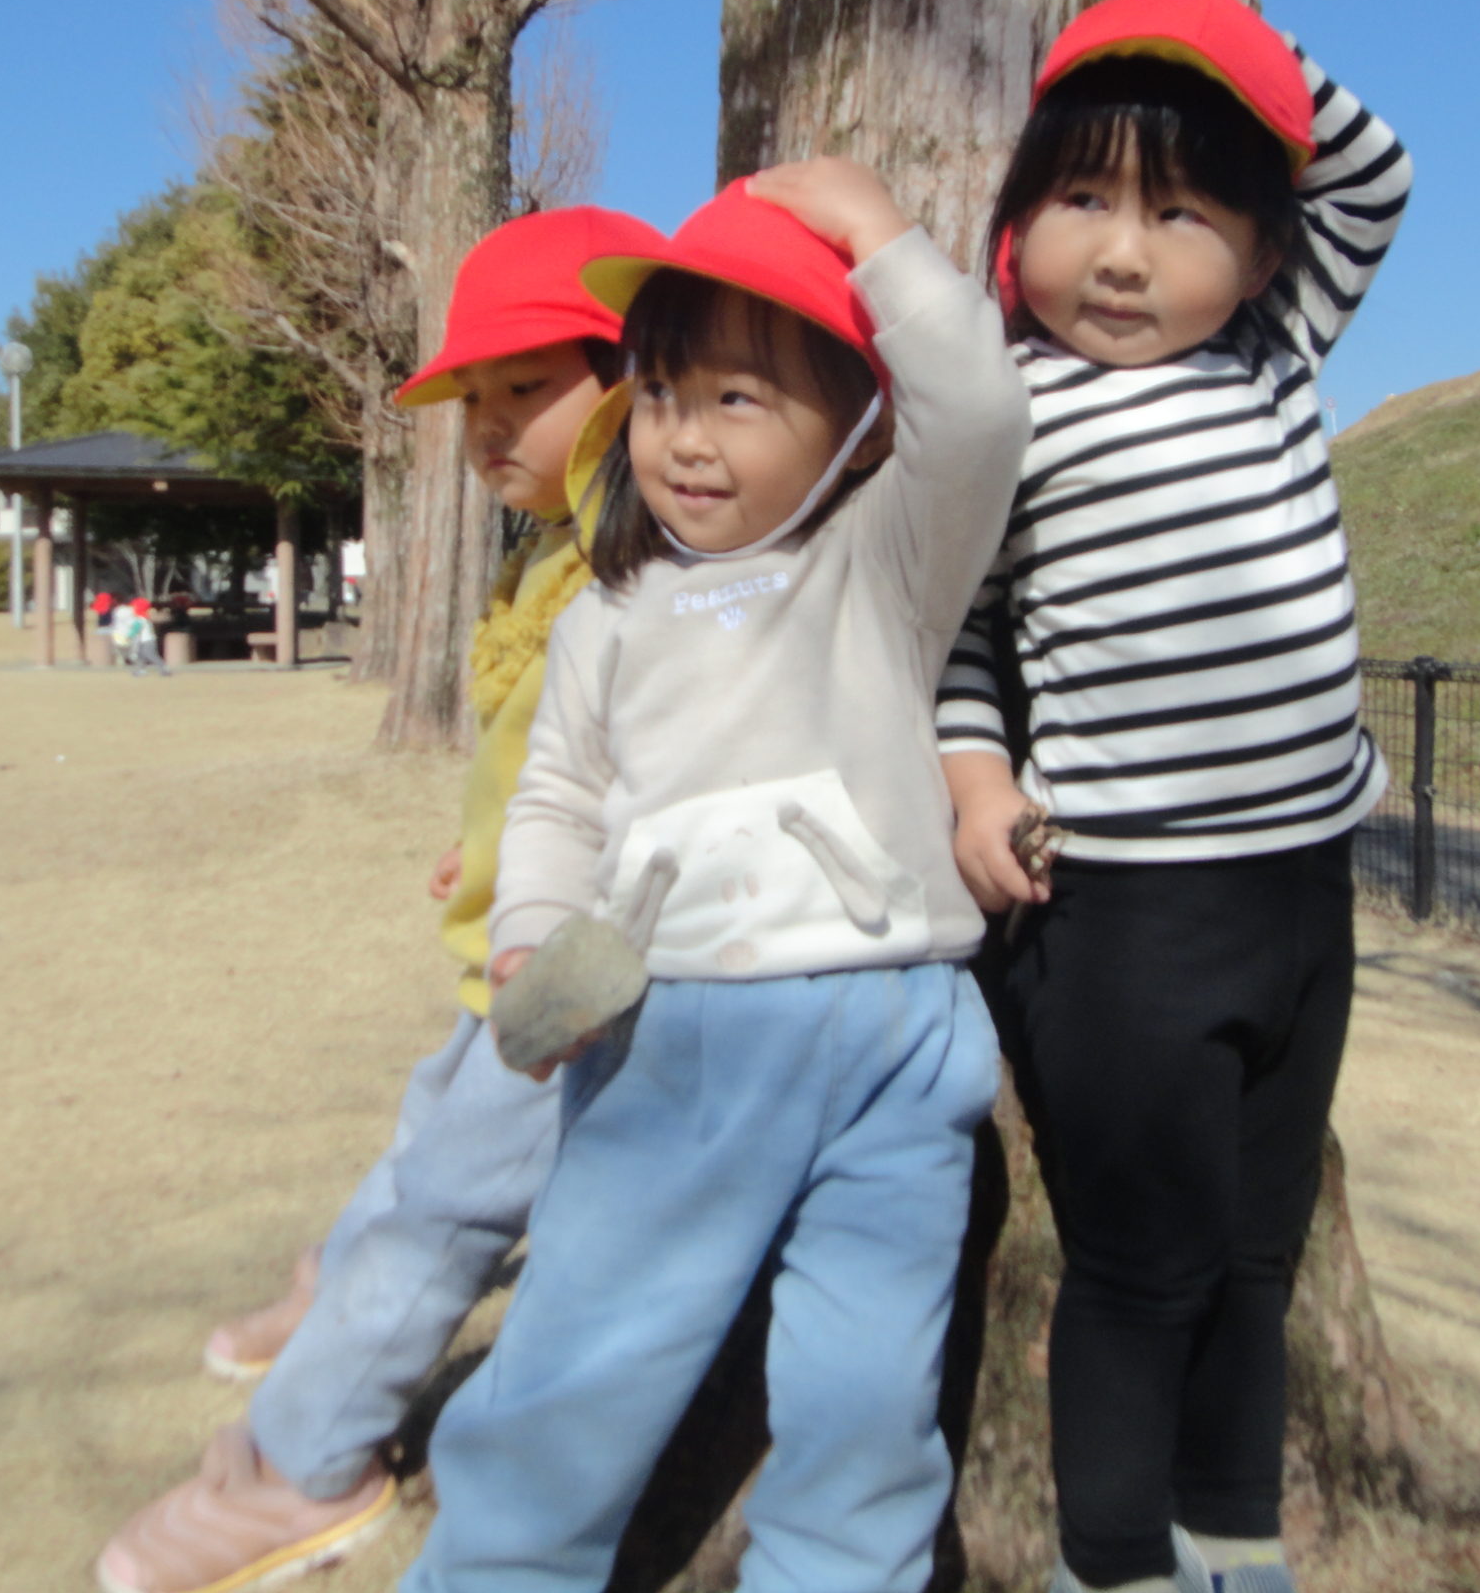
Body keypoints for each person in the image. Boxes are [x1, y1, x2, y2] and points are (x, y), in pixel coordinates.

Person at [395, 169, 1029, 1593]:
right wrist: (532, 933)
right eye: (665, 394)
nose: (686, 437)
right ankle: (497, 1568)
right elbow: (557, 798)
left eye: (740, 399)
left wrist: (877, 236)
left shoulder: (884, 560)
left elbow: (982, 412)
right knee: (590, 1344)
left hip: (897, 1039)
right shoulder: (609, 614)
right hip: (678, 1032)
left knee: (869, 1385)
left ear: (858, 426)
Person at [93, 205, 658, 1593]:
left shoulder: (639, 547)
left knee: (447, 1208)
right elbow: (539, 758)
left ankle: (309, 1461)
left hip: (570, 981)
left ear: (632, 378)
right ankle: (328, 1300)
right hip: (501, 950)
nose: (492, 424)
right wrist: (480, 854)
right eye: (475, 399)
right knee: (420, 1153)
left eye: (529, 385)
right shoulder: (539, 547)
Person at [934, 0, 1412, 1593]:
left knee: (1258, 1259)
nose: (1124, 256)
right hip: (1123, 916)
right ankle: (1115, 1559)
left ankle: (1237, 1541)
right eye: (1082, 199)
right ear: (1020, 223)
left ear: (1264, 256)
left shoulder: (1276, 349)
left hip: (1305, 894)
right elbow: (961, 632)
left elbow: (1377, 174)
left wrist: (1197, 35)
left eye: (1182, 212)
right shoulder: (1004, 405)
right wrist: (975, 779)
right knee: (1142, 1269)